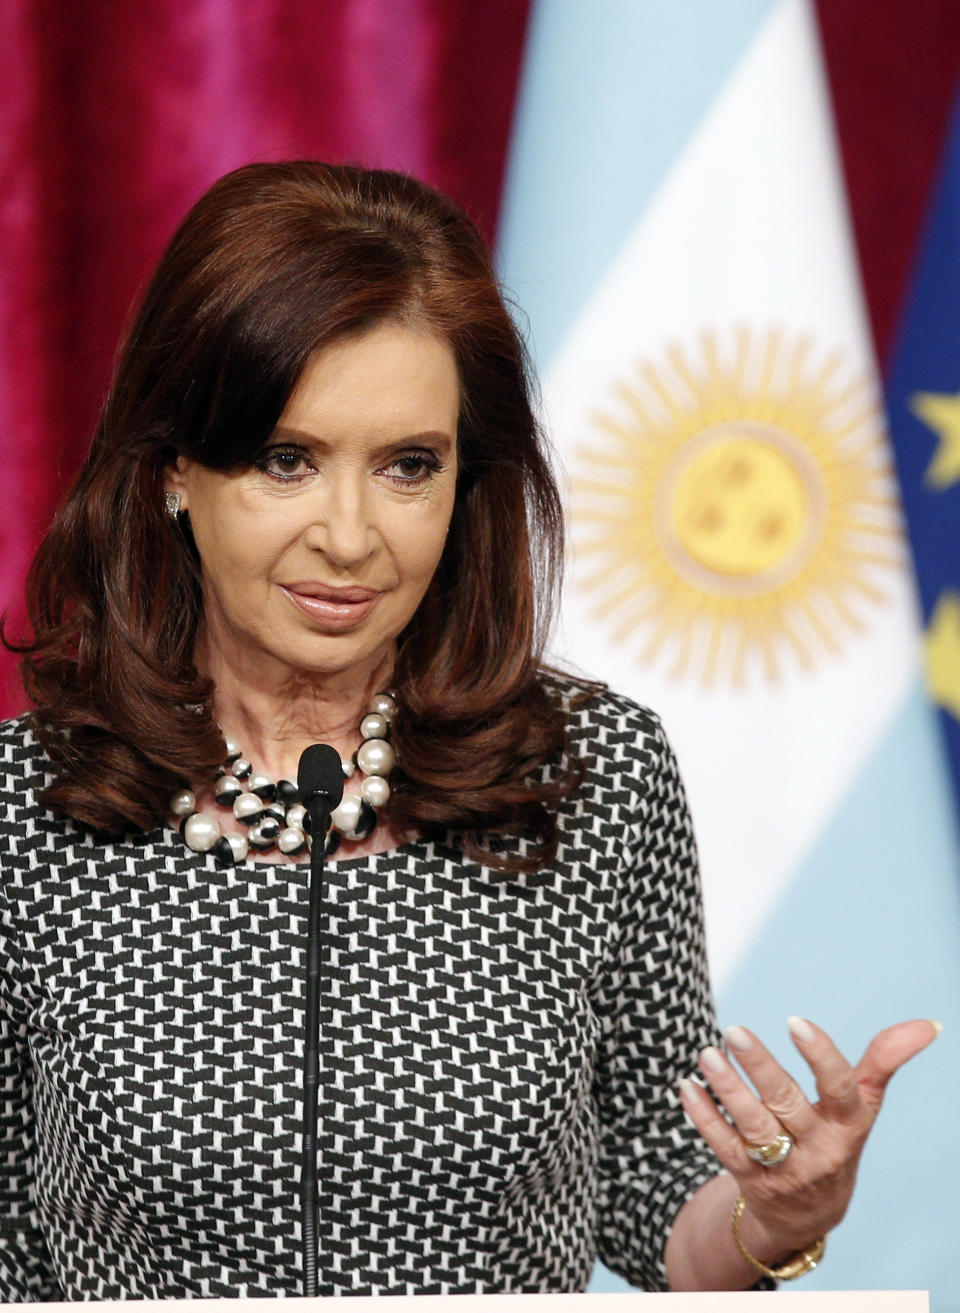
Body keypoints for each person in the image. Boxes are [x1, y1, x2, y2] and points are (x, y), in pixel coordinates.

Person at [0, 160, 939, 1300]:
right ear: (173, 473)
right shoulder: (27, 814)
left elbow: (654, 1202)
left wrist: (772, 1211)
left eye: (408, 466)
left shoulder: (591, 776)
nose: (349, 536)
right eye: (288, 461)